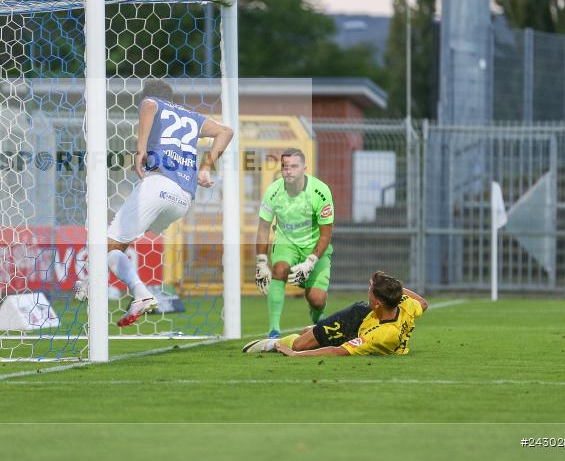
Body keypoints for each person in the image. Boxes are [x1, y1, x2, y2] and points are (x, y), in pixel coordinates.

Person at [75, 78, 234, 327]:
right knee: (116, 246)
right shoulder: (192, 117)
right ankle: (138, 292)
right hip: (182, 199)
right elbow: (227, 131)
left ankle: (104, 286)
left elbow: (149, 105)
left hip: (159, 184)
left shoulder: (152, 103)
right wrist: (206, 168)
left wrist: (140, 150)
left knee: (104, 244)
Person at [242, 271, 428, 357]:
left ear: (378, 302)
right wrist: (393, 287)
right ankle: (309, 332)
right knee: (303, 342)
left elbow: (338, 351)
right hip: (359, 319)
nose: (367, 290)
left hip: (361, 329)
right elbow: (423, 303)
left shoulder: (383, 335)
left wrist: (295, 355)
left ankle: (272, 344)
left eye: (370, 289)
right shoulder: (404, 304)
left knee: (298, 347)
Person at [254, 148, 334, 338]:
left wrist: (311, 261)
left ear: (304, 169)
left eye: (294, 166)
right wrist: (261, 262)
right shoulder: (273, 192)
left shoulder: (320, 192)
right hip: (286, 243)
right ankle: (273, 331)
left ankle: (317, 317)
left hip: (314, 246)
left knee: (316, 298)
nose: (288, 170)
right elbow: (263, 228)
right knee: (279, 269)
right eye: (285, 166)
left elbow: (325, 235)